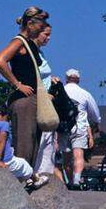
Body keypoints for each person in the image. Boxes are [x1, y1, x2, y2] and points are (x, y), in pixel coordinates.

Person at [0, 7, 49, 166]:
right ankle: (20, 181)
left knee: (33, 144)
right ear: (30, 23)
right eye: (40, 25)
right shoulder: (19, 41)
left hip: (32, 99)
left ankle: (28, 178)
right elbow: (0, 60)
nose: (42, 29)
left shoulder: (30, 44)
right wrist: (17, 84)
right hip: (23, 101)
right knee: (25, 145)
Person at [0, 102, 44, 188]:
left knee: (18, 170)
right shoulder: (4, 125)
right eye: (6, 117)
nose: (7, 120)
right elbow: (1, 142)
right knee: (24, 165)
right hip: (6, 161)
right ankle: (36, 179)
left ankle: (23, 182)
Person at [30, 23, 64, 181]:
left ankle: (44, 173)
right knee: (43, 137)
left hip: (47, 99)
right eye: (46, 34)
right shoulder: (31, 53)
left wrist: (51, 81)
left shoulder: (40, 53)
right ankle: (39, 174)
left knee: (48, 138)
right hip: (41, 101)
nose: (49, 38)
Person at [63, 69, 101, 188]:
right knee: (78, 155)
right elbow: (95, 115)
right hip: (79, 127)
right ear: (78, 79)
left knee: (66, 158)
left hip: (63, 128)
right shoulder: (85, 94)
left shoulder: (60, 91)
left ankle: (69, 181)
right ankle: (77, 180)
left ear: (66, 78)